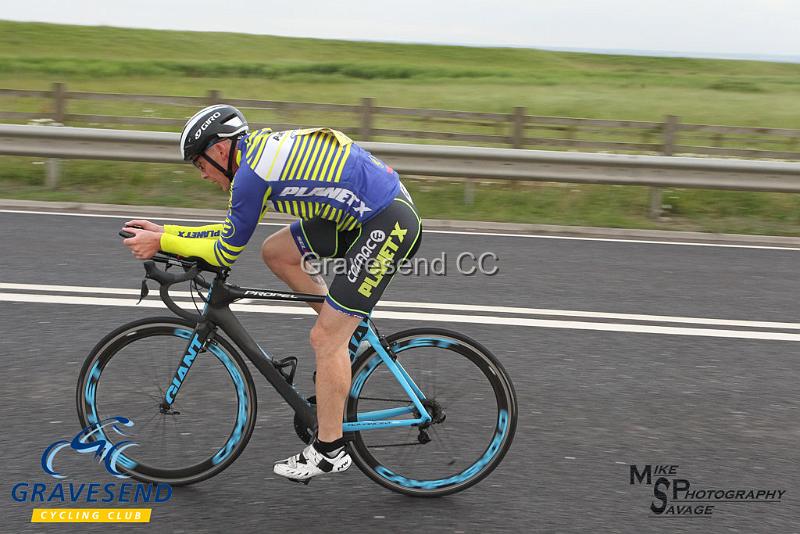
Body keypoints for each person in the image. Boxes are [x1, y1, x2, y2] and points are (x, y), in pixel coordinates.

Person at [122, 104, 422, 484]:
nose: (202, 175)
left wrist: (163, 240)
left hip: (386, 222)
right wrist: (167, 233)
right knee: (277, 252)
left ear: (219, 150)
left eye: (199, 164)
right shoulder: (252, 160)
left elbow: (223, 251)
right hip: (364, 213)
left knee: (326, 337)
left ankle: (330, 450)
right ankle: (351, 336)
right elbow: (234, 230)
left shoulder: (250, 176)